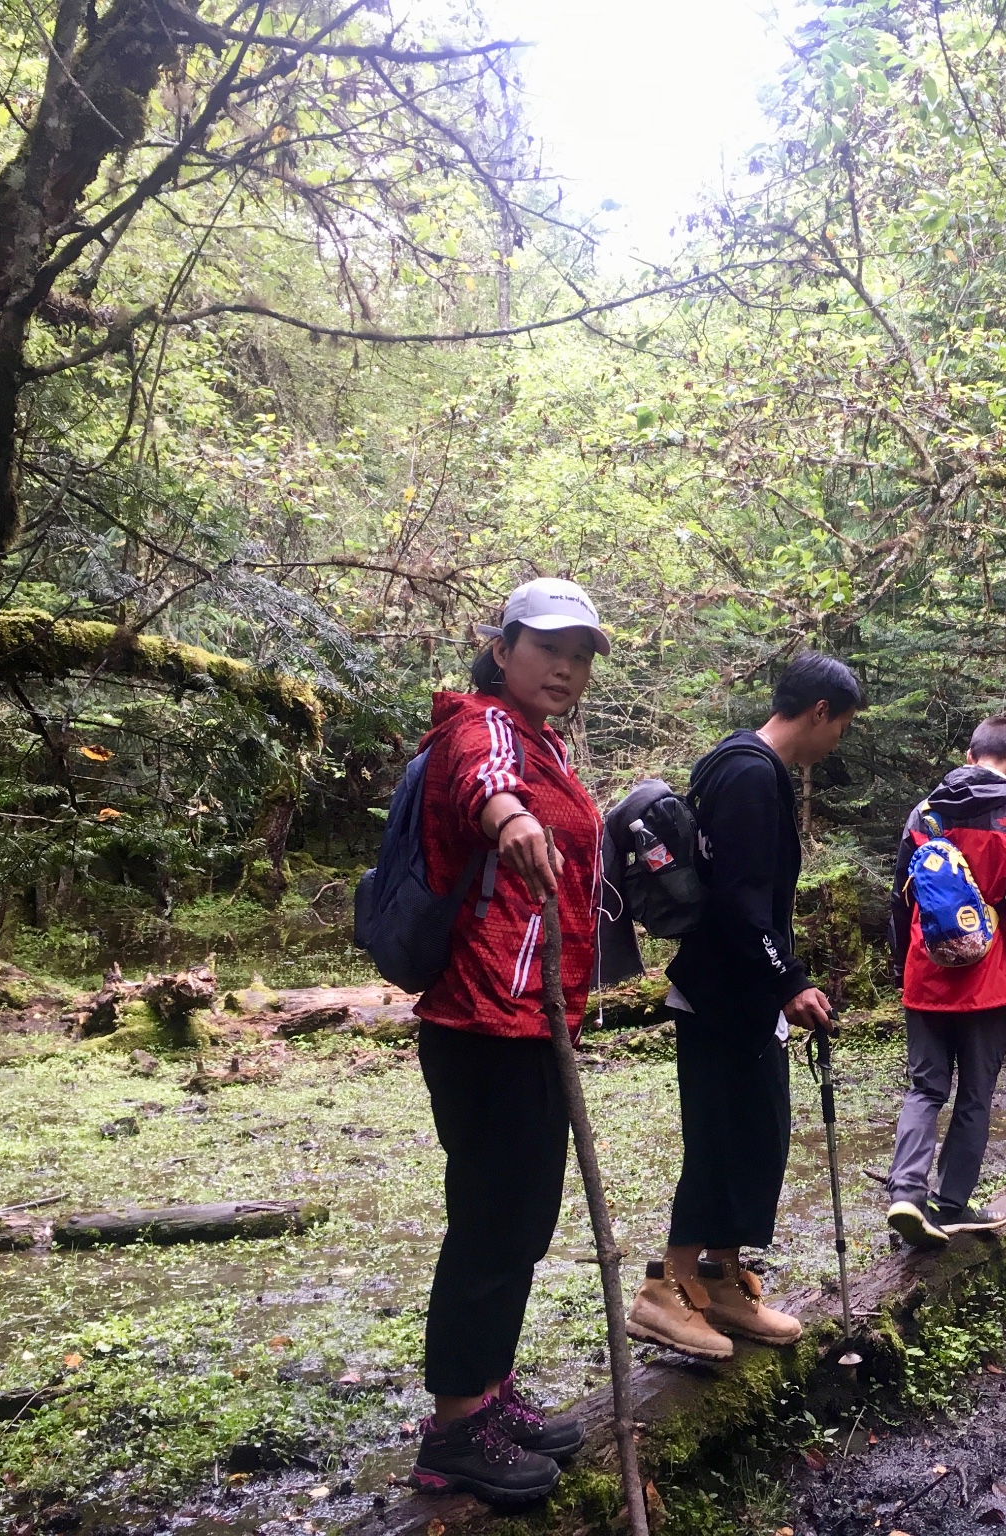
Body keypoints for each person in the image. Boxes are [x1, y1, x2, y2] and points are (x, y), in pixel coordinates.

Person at [408, 577, 611, 1507]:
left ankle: (489, 1394)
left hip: (534, 1019)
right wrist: (514, 816)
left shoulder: (547, 742)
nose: (566, 667)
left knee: (522, 1219)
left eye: (580, 654)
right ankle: (453, 1431)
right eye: (548, 648)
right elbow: (485, 785)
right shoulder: (481, 725)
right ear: (503, 650)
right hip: (484, 1020)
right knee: (492, 1221)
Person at [626, 651, 864, 1359]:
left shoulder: (736, 763)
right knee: (720, 1141)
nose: (837, 742)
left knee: (755, 1136)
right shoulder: (752, 776)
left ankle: (719, 1282)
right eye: (841, 726)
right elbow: (738, 899)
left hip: (738, 994)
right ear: (819, 712)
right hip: (724, 993)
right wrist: (788, 980)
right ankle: (661, 1290)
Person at [882, 716, 1006, 1248]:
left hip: (926, 970)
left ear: (970, 755)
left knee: (925, 1087)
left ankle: (906, 1192)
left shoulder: (924, 811)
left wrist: (908, 962)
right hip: (988, 973)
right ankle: (950, 1204)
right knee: (974, 1093)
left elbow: (900, 901)